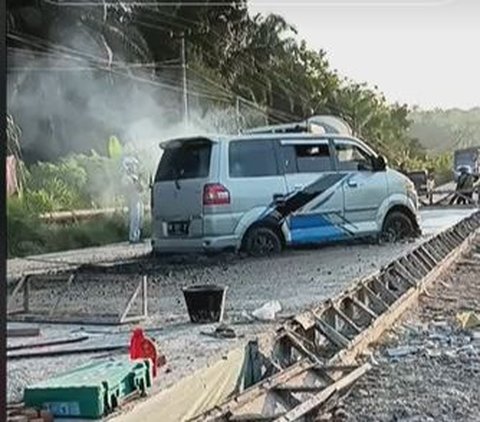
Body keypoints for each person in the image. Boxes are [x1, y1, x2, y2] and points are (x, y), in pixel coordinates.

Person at [122, 157, 144, 243]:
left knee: (139, 218)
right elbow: (131, 188)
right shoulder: (126, 177)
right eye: (133, 165)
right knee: (134, 218)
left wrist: (139, 180)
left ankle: (138, 236)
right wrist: (137, 182)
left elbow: (141, 189)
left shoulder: (135, 177)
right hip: (132, 199)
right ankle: (133, 237)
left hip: (138, 199)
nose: (135, 167)